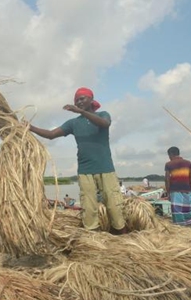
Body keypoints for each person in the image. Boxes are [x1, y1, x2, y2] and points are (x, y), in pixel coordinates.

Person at [28, 87, 128, 234]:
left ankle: (123, 236)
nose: (79, 102)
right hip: (85, 171)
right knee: (89, 208)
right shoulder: (73, 123)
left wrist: (82, 112)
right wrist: (31, 127)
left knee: (114, 205)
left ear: (91, 100)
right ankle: (93, 240)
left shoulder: (103, 114)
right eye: (77, 100)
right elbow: (51, 134)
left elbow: (105, 124)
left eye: (82, 99)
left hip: (106, 168)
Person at [164, 147, 191, 226]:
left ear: (171, 154)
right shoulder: (188, 163)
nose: (169, 158)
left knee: (177, 211)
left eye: (169, 155)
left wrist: (168, 192)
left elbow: (167, 179)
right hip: (188, 190)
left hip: (175, 191)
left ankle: (180, 227)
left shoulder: (169, 164)